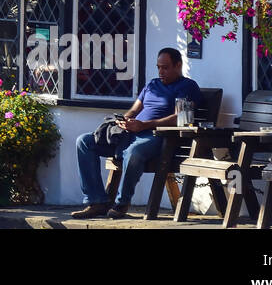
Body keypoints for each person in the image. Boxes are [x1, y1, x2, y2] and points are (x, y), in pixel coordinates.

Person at [72, 47, 202, 219]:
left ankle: (121, 203)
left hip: (156, 136)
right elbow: (134, 110)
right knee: (84, 141)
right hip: (130, 132)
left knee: (134, 152)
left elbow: (180, 117)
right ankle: (96, 202)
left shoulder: (187, 86)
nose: (161, 71)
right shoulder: (152, 84)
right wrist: (122, 121)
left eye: (165, 67)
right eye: (158, 67)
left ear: (178, 65)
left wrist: (145, 125)